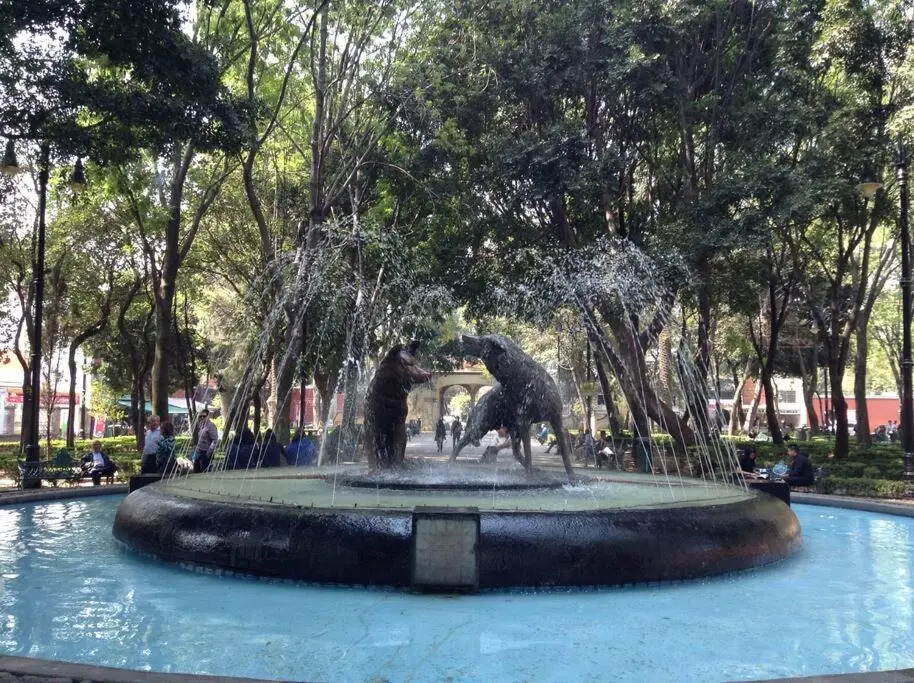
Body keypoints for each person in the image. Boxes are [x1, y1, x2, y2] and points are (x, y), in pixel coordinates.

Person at [193, 409, 219, 473]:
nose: (202, 418)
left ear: (208, 416)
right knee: (196, 470)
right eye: (200, 416)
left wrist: (209, 452)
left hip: (206, 452)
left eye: (204, 416)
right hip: (199, 451)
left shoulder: (211, 426)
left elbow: (215, 440)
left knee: (204, 472)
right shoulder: (201, 425)